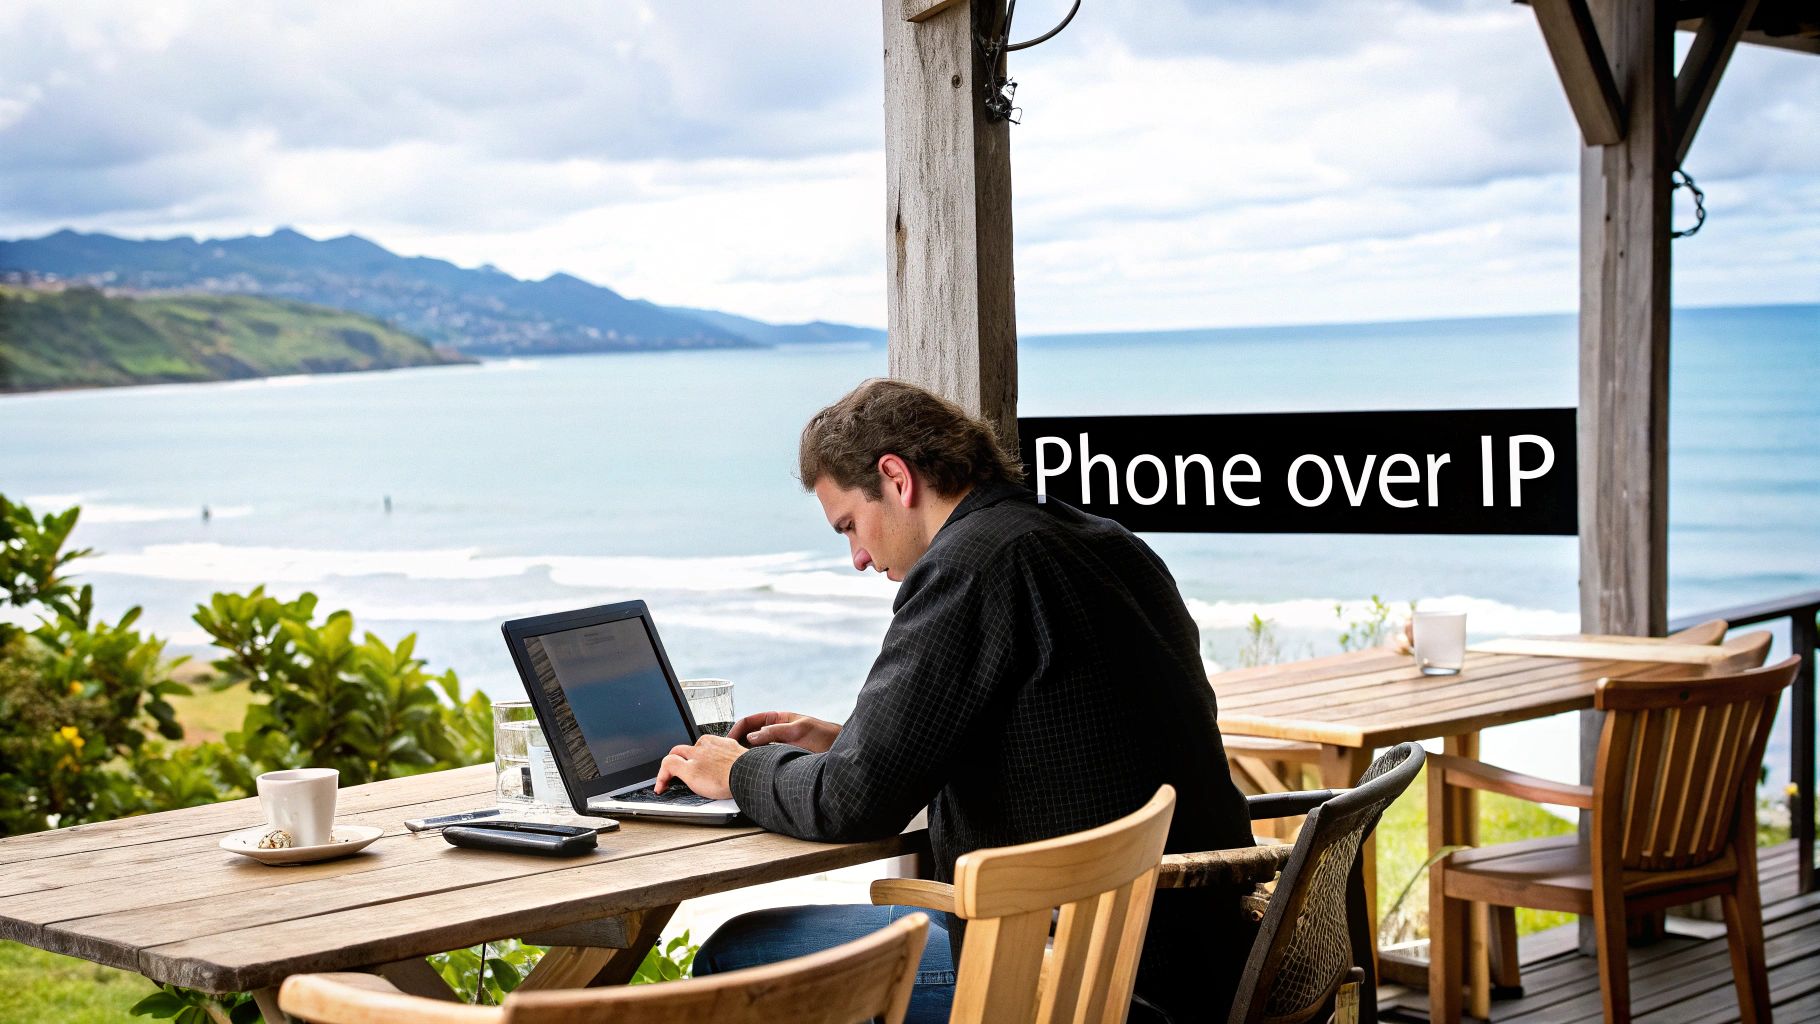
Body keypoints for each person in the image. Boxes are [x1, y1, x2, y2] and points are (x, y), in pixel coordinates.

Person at [654, 379, 1255, 1022]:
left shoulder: (970, 566)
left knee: (739, 951)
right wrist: (848, 744)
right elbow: (1064, 738)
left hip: (1086, 981)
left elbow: (852, 805)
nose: (857, 557)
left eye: (850, 525)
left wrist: (736, 772)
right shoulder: (1104, 542)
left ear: (895, 477)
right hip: (1199, 959)